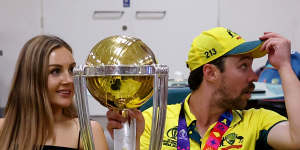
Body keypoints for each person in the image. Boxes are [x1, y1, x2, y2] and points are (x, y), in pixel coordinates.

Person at [106, 27, 300, 150]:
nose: (253, 76)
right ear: (210, 73)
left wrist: (284, 66)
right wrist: (131, 142)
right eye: (243, 66)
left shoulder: (258, 121)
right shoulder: (152, 120)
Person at [0, 35, 109, 150]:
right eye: (55, 71)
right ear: (31, 78)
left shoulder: (89, 132)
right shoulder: (4, 129)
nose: (69, 80)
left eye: (72, 70)